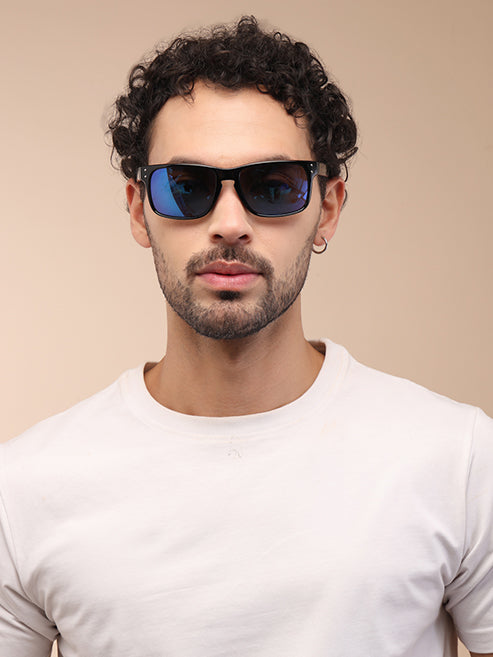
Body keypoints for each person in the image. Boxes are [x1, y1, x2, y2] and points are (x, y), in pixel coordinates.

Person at [0, 15, 492, 657]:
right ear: (138, 210)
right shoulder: (25, 488)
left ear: (328, 208)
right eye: (186, 188)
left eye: (273, 187)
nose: (229, 223)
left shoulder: (458, 460)